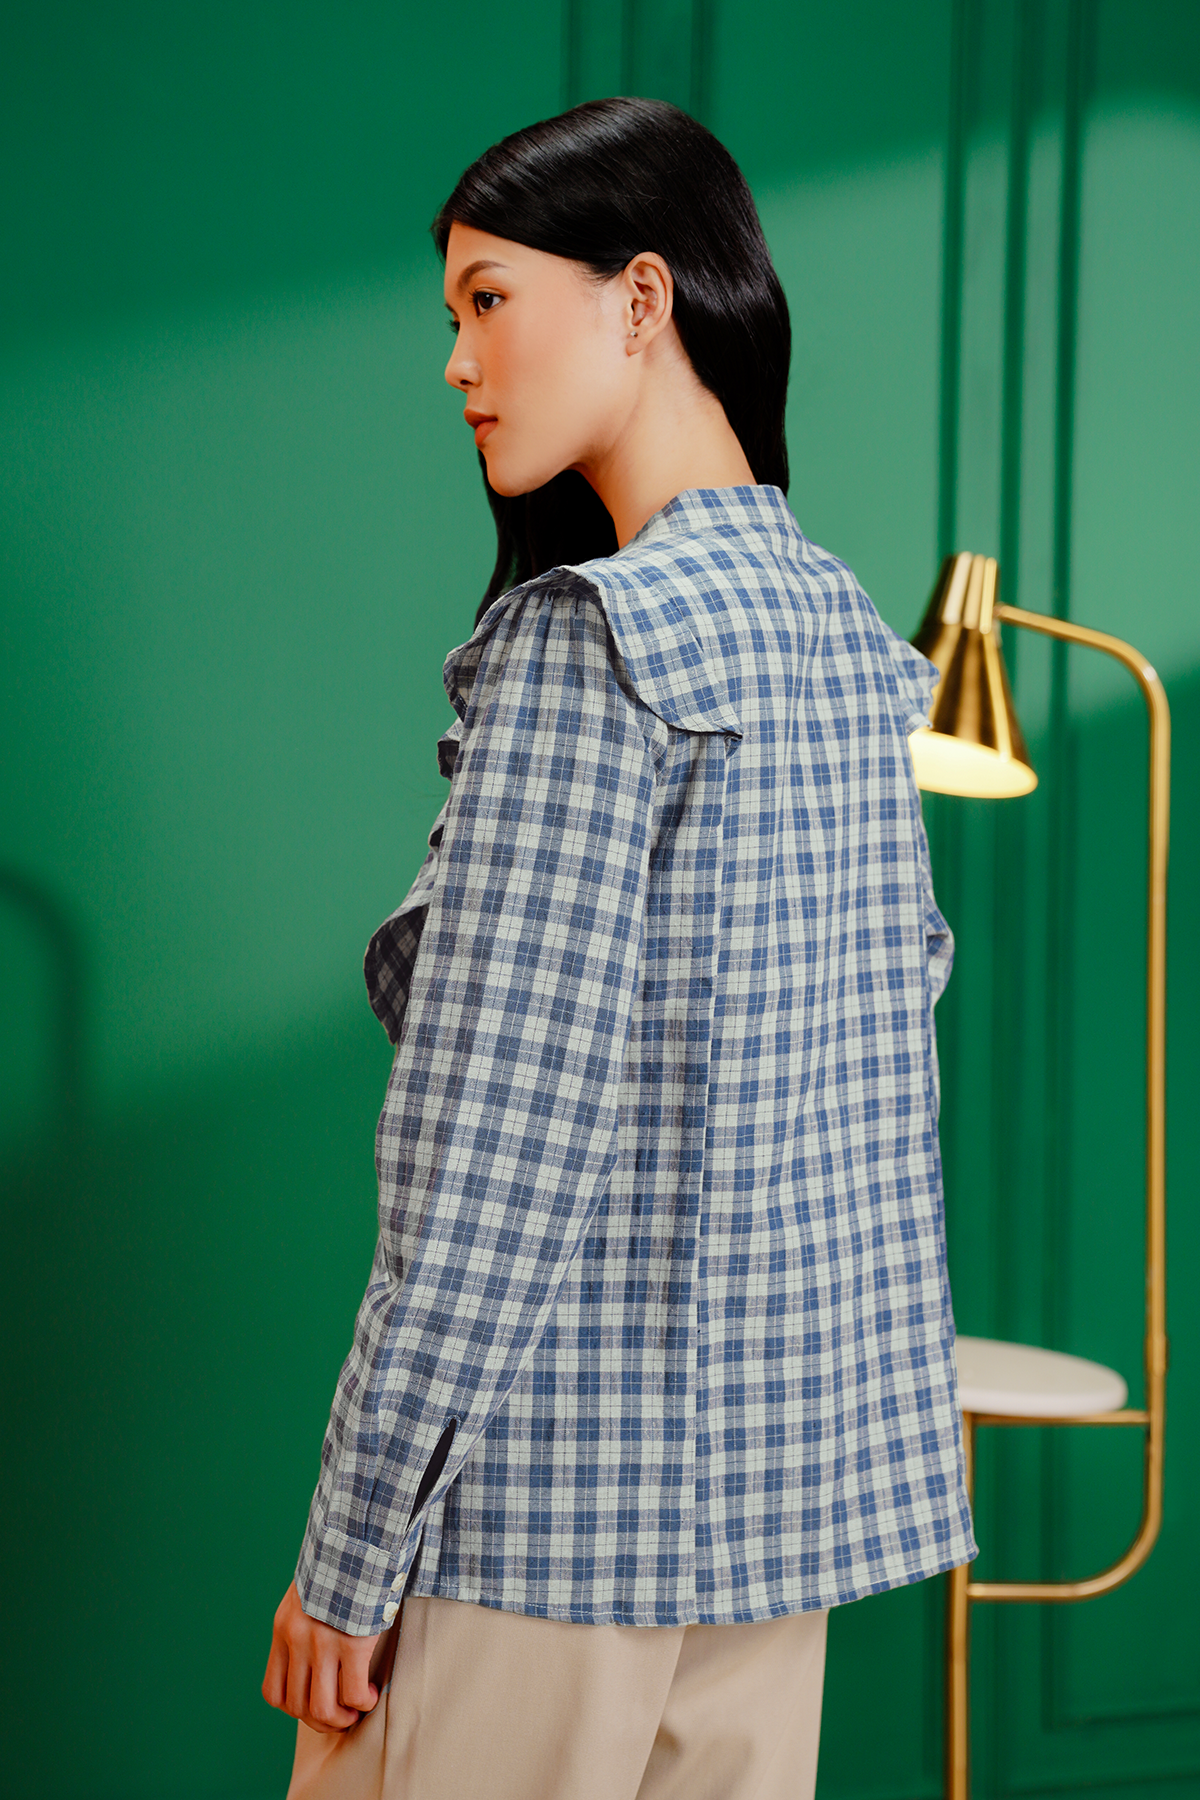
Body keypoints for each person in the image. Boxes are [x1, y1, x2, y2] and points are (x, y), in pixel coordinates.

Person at [262, 97, 976, 1800]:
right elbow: (887, 1066)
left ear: (642, 298)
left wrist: (350, 1552)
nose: (458, 361)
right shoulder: (847, 643)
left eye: (489, 300)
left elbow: (494, 1153)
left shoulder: (595, 642)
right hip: (776, 1534)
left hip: (539, 1540)